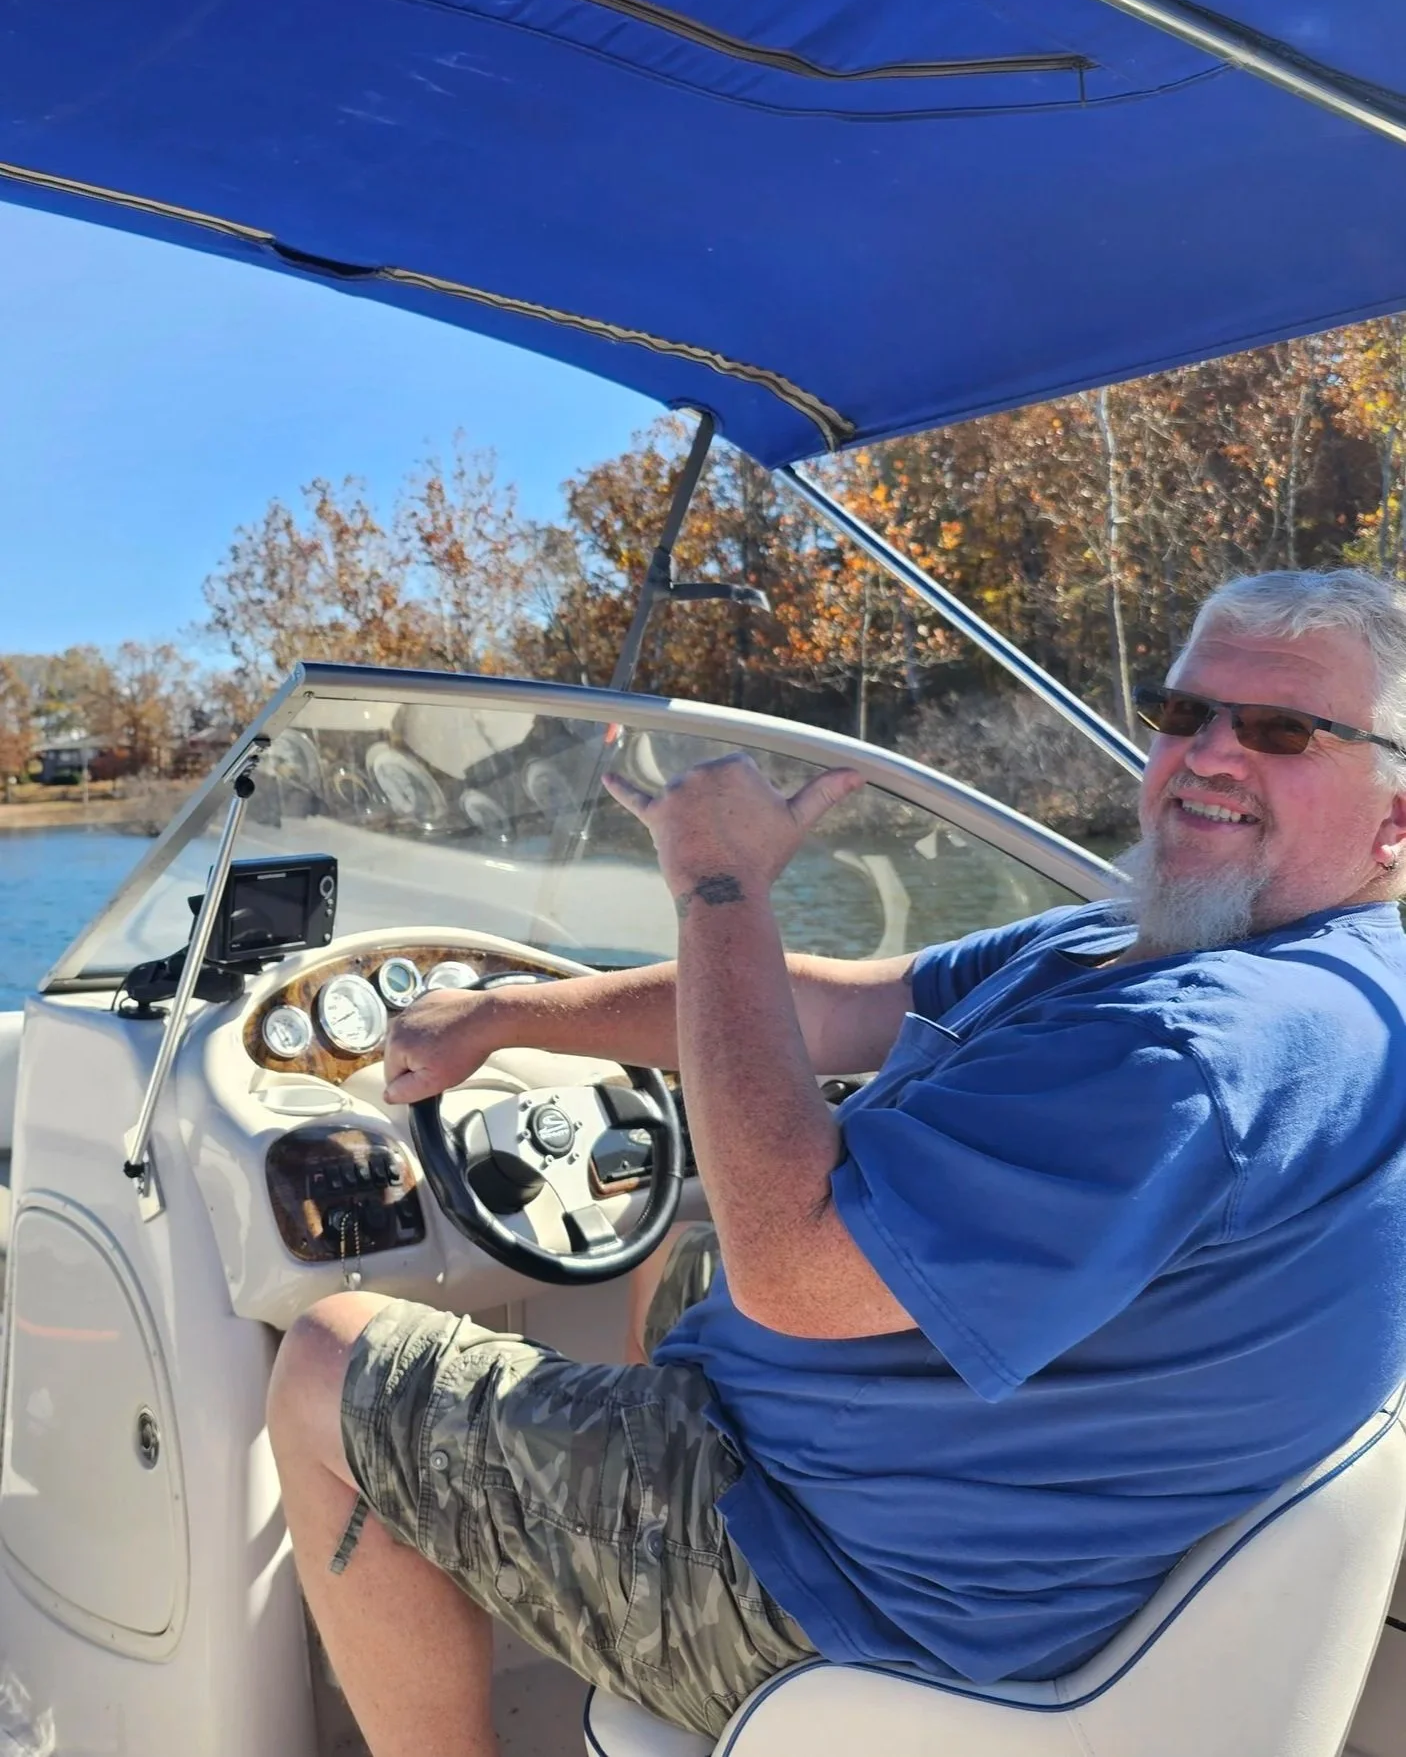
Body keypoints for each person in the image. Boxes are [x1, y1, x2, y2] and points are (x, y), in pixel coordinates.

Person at [268, 568, 1406, 1757]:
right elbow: (835, 1005)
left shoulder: (1196, 1045)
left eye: (1280, 731)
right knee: (680, 1257)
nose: (1209, 755)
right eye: (1184, 714)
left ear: (1391, 813)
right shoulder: (1148, 935)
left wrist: (717, 888)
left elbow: (794, 1276)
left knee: (324, 1359)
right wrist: (507, 1017)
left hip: (855, 1601)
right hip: (987, 1518)